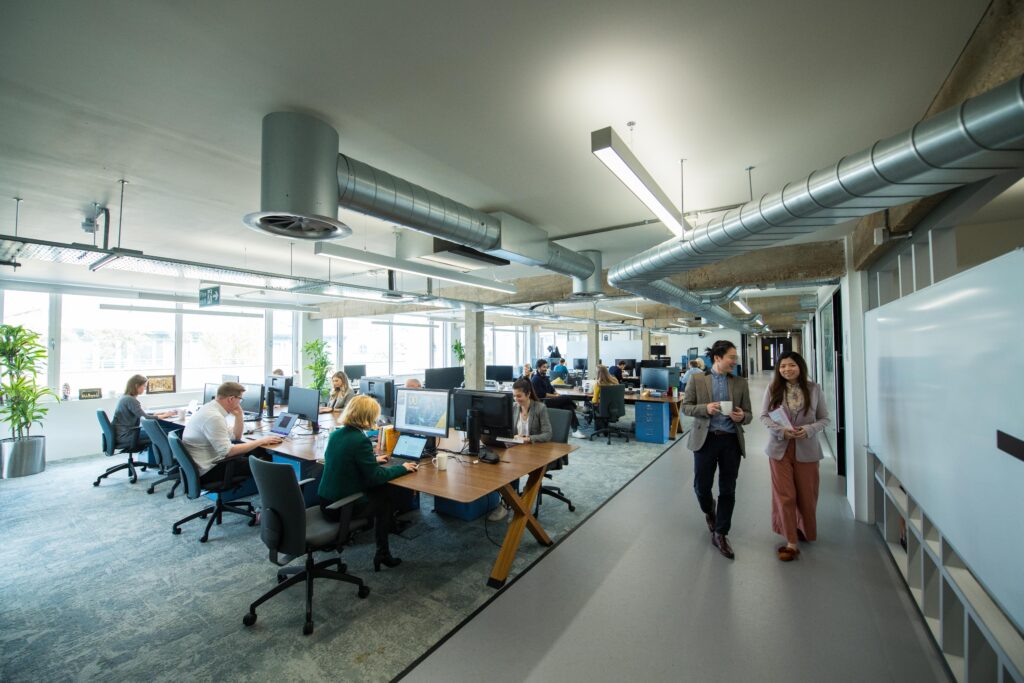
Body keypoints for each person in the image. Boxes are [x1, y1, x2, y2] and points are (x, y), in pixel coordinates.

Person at [317, 395, 417, 571]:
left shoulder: (336, 434)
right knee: (385, 498)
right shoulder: (360, 440)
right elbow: (375, 477)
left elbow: (345, 460)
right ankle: (383, 553)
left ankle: (384, 547)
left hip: (325, 501)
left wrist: (371, 459)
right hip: (341, 508)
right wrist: (402, 468)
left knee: (382, 492)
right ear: (367, 417)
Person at [682, 340, 752, 560]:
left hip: (731, 440)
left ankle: (721, 533)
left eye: (735, 357)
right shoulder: (697, 380)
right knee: (701, 487)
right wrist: (706, 408)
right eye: (731, 357)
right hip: (706, 439)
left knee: (728, 489)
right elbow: (685, 407)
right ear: (718, 358)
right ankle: (709, 510)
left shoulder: (740, 382)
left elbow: (748, 414)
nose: (735, 361)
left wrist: (742, 417)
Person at [759, 351, 830, 562]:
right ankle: (791, 540)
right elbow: (763, 416)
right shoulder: (773, 389)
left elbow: (825, 418)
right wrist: (781, 431)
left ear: (800, 366)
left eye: (791, 365)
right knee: (785, 495)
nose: (787, 369)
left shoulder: (814, 389)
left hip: (806, 448)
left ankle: (805, 529)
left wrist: (808, 429)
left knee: (807, 495)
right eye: (782, 366)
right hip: (779, 449)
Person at [181, 381, 282, 485]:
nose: (240, 403)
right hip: (210, 470)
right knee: (266, 464)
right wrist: (260, 441)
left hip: (205, 463)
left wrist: (239, 416)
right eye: (240, 399)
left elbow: (236, 437)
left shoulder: (210, 408)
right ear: (231, 399)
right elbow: (228, 452)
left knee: (256, 451)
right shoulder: (214, 417)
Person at [111, 374, 177, 451]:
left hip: (122, 434)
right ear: (136, 386)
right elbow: (146, 418)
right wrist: (165, 415)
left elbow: (140, 413)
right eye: (144, 386)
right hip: (128, 435)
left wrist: (161, 413)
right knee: (169, 432)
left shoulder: (125, 397)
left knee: (162, 429)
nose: (145, 389)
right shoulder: (130, 400)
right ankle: (167, 460)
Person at [531, 358, 582, 437]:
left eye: (546, 367)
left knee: (568, 406)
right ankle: (577, 407)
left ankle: (575, 430)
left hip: (551, 400)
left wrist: (556, 393)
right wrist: (556, 396)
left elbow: (552, 389)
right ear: (538, 368)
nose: (546, 369)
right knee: (566, 398)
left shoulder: (545, 378)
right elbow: (541, 394)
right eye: (544, 367)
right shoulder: (535, 379)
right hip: (543, 402)